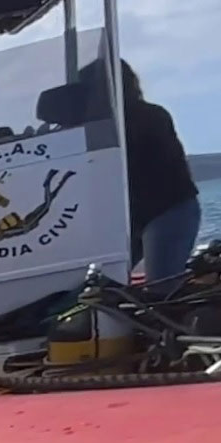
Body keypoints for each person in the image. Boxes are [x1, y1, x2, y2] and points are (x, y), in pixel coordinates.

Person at [116, 60, 201, 283]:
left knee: (162, 287)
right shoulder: (143, 116)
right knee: (106, 288)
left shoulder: (145, 117)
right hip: (135, 217)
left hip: (168, 210)